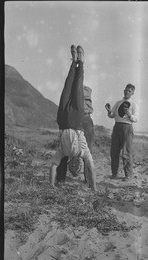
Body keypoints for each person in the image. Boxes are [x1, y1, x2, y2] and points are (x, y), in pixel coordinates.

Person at [49, 45, 96, 191]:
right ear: (79, 164)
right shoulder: (84, 152)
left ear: (70, 164)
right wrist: (94, 188)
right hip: (76, 119)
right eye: (77, 166)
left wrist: (51, 185)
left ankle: (73, 61)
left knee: (67, 87)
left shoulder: (63, 152)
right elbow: (92, 168)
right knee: (77, 87)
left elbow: (53, 166)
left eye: (73, 167)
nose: (75, 165)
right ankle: (80, 61)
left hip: (62, 120)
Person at [56, 85, 95, 184]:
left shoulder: (74, 90)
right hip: (82, 119)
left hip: (75, 119)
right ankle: (89, 180)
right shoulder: (85, 90)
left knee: (65, 149)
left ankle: (60, 178)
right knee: (87, 151)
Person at [105, 84, 139, 181]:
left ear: (132, 93)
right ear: (123, 91)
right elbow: (112, 115)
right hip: (117, 127)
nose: (127, 92)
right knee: (114, 152)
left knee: (126, 153)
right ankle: (114, 173)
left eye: (129, 91)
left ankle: (128, 175)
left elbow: (136, 119)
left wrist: (129, 114)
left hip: (127, 127)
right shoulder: (118, 102)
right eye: (126, 90)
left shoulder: (134, 104)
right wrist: (108, 111)